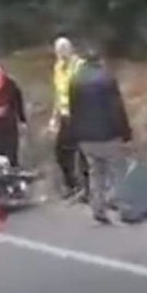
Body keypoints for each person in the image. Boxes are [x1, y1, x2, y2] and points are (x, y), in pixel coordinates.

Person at [69, 48, 132, 224]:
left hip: (85, 138)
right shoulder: (106, 79)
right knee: (119, 172)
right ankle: (125, 209)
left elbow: (73, 111)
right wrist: (125, 133)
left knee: (96, 173)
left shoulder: (74, 81)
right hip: (107, 135)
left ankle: (98, 208)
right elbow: (116, 109)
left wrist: (76, 135)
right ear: (100, 60)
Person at [50, 36, 88, 199]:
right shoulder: (58, 67)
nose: (61, 53)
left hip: (80, 115)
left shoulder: (79, 66)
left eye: (64, 50)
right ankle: (71, 183)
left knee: (83, 153)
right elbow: (58, 94)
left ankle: (87, 190)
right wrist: (54, 116)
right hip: (65, 116)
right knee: (61, 151)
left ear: (71, 49)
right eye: (58, 50)